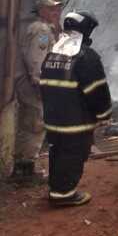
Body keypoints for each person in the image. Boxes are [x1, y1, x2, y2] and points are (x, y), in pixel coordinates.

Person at [39, 11, 112, 206]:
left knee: (58, 152)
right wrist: (104, 115)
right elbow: (96, 90)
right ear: (85, 31)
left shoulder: (54, 52)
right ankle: (64, 195)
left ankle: (57, 190)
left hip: (53, 120)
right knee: (73, 154)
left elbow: (45, 84)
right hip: (76, 121)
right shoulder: (86, 57)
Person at [12, 0, 62, 181]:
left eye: (56, 9)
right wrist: (39, 82)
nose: (55, 13)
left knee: (29, 123)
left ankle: (22, 167)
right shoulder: (41, 30)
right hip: (34, 84)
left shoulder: (40, 28)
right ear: (41, 11)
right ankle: (26, 171)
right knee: (35, 123)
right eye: (50, 9)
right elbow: (37, 58)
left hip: (28, 82)